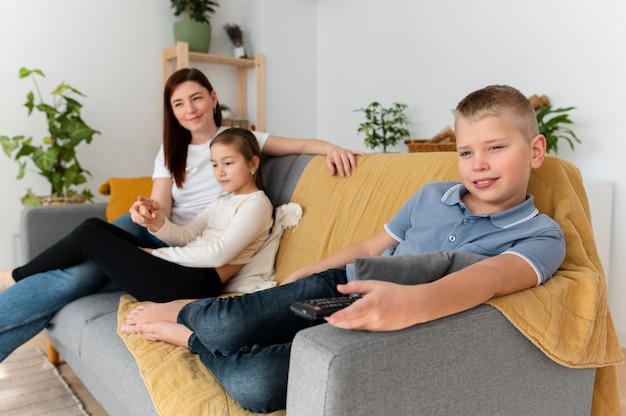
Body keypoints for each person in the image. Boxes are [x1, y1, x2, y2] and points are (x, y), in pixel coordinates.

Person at [120, 84, 566, 413]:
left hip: (397, 325)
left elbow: (487, 278)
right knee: (229, 325)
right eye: (466, 152)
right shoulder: (434, 195)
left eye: (495, 148)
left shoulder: (541, 236)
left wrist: (409, 302)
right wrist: (306, 274)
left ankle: (190, 338)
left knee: (253, 385)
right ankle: (188, 311)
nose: (479, 164)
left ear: (535, 150)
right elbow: (373, 244)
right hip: (343, 283)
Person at [0, 68, 361, 360]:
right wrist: (148, 214)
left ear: (213, 98)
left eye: (196, 98)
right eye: (178, 104)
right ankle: (19, 278)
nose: (190, 109)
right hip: (163, 234)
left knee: (75, 280)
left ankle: (15, 277)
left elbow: (298, 145)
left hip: (185, 253)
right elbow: (162, 209)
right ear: (172, 112)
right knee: (92, 233)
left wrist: (331, 147)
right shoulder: (172, 151)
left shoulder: (240, 139)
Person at [2, 128, 273, 306]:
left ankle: (16, 276)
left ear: (252, 163)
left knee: (89, 237)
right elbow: (186, 236)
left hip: (194, 281)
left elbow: (218, 254)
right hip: (183, 268)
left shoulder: (257, 205)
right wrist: (156, 223)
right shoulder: (221, 200)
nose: (220, 172)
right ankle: (19, 277)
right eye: (214, 164)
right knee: (93, 225)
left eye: (228, 163)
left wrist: (155, 255)